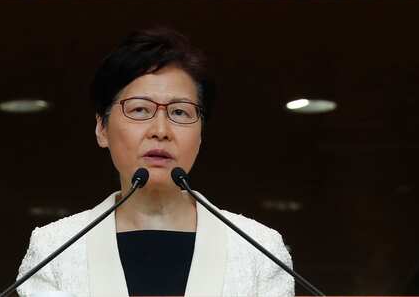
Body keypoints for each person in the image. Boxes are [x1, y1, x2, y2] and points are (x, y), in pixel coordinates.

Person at [15, 27, 296, 296]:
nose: (160, 130)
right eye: (140, 109)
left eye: (180, 112)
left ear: (201, 133)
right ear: (102, 128)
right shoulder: (54, 249)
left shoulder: (259, 249)